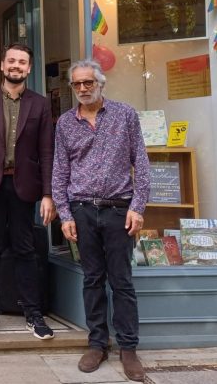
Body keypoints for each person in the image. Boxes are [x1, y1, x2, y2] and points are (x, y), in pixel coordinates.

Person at [51, 59, 150, 383]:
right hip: (82, 210)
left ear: (100, 84)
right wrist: (65, 215)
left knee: (122, 281)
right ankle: (97, 343)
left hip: (119, 210)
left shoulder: (125, 115)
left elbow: (142, 165)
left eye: (88, 83)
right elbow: (60, 173)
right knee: (92, 279)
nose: (82, 89)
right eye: (76, 84)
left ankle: (128, 348)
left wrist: (138, 207)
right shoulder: (65, 123)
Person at [0, 42, 56, 341]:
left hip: (25, 186)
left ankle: (33, 313)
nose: (16, 66)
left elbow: (46, 151)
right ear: (2, 66)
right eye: (12, 61)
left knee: (25, 250)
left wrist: (48, 193)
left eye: (22, 62)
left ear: (29, 68)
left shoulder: (40, 104)